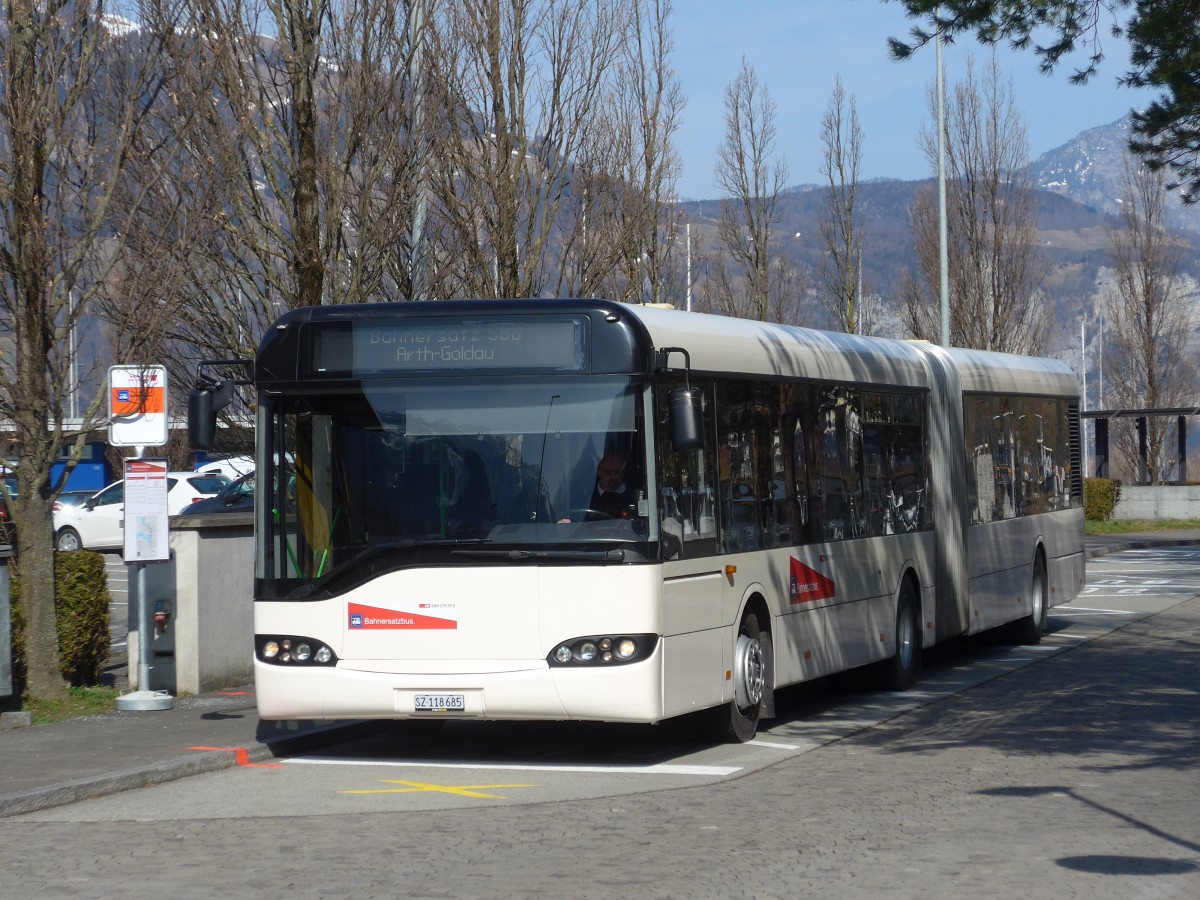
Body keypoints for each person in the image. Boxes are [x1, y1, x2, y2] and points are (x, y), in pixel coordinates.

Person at [586, 449, 636, 520]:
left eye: (618, 471)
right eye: (608, 472)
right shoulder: (587, 497)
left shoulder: (633, 496)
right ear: (599, 471)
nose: (614, 477)